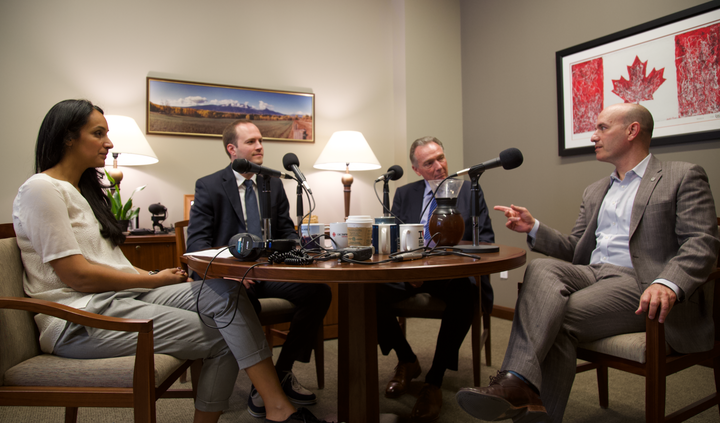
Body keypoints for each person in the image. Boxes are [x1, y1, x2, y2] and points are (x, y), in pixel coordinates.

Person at [12, 99, 334, 423]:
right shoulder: (41, 190)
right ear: (68, 137)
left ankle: (276, 402)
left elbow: (110, 263)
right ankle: (278, 406)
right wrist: (154, 279)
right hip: (80, 317)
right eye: (98, 133)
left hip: (119, 298)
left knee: (227, 295)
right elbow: (77, 277)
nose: (109, 143)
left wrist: (153, 274)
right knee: (226, 331)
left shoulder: (81, 193)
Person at [456, 103, 720, 423]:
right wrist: (534, 228)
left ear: (632, 130)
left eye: (602, 128)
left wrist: (667, 282)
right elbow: (575, 249)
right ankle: (516, 383)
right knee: (541, 268)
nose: (593, 136)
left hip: (640, 283)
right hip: (592, 274)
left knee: (556, 321)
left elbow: (701, 241)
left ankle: (518, 389)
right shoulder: (596, 191)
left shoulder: (682, 175)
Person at [186, 119, 332, 418]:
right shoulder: (210, 185)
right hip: (230, 277)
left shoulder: (273, 183)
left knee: (319, 293)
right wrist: (227, 272)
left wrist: (298, 252)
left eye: (261, 140)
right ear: (232, 149)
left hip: (269, 272)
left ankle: (280, 373)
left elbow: (286, 232)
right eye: (251, 141)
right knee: (239, 301)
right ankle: (266, 385)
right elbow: (197, 244)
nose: (260, 146)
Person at [376, 136, 495, 423]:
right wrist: (412, 268)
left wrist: (440, 261)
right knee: (368, 291)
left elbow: (486, 239)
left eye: (441, 158)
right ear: (417, 169)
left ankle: (434, 381)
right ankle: (407, 359)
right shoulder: (404, 194)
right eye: (429, 162)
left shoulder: (470, 191)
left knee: (466, 293)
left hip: (451, 274)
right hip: (410, 272)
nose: (439, 166)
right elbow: (393, 240)